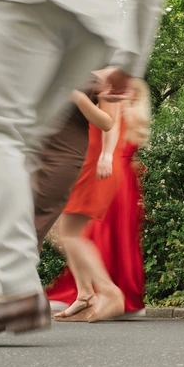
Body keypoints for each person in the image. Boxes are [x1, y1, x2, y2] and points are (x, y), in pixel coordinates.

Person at [0, 0, 164, 332]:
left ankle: (12, 286)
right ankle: (12, 286)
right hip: (97, 26)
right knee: (24, 142)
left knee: (2, 131)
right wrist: (131, 64)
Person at [46, 79, 152, 316]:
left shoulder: (114, 97)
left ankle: (106, 292)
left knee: (76, 233)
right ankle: (87, 293)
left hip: (105, 172)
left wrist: (105, 155)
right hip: (101, 170)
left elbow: (110, 127)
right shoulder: (110, 95)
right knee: (71, 231)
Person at [33, 85, 119, 255]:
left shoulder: (107, 72)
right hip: (26, 142)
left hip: (62, 153)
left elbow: (108, 122)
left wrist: (77, 97)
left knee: (33, 225)